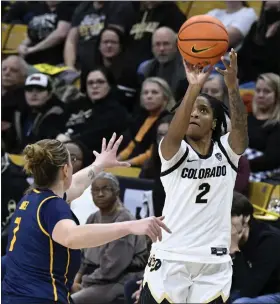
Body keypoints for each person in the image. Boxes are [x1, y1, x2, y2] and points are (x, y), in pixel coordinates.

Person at [2, 133, 171, 304]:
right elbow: (71, 236)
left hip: (13, 295)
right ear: (66, 169)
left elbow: (76, 184)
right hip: (39, 298)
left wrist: (99, 164)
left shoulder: (31, 197)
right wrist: (131, 226)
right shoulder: (52, 205)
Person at [139, 49, 248, 303]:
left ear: (214, 122)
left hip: (214, 260)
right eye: (191, 110)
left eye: (203, 110)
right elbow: (175, 132)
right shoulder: (172, 151)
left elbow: (241, 129)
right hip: (171, 255)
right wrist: (193, 89)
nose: (195, 114)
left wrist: (232, 86)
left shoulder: (227, 152)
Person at [71, 172, 148, 303]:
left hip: (120, 280)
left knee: (72, 300)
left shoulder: (124, 220)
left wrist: (83, 282)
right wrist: (75, 280)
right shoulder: (93, 218)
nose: (100, 194)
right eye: (95, 190)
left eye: (106, 189)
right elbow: (82, 256)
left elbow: (112, 268)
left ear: (117, 191)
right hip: (93, 278)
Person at [230, 191, 280, 304]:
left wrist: (234, 251)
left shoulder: (269, 240)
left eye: (230, 216)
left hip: (275, 292)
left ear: (246, 217)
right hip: (256, 291)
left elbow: (249, 290)